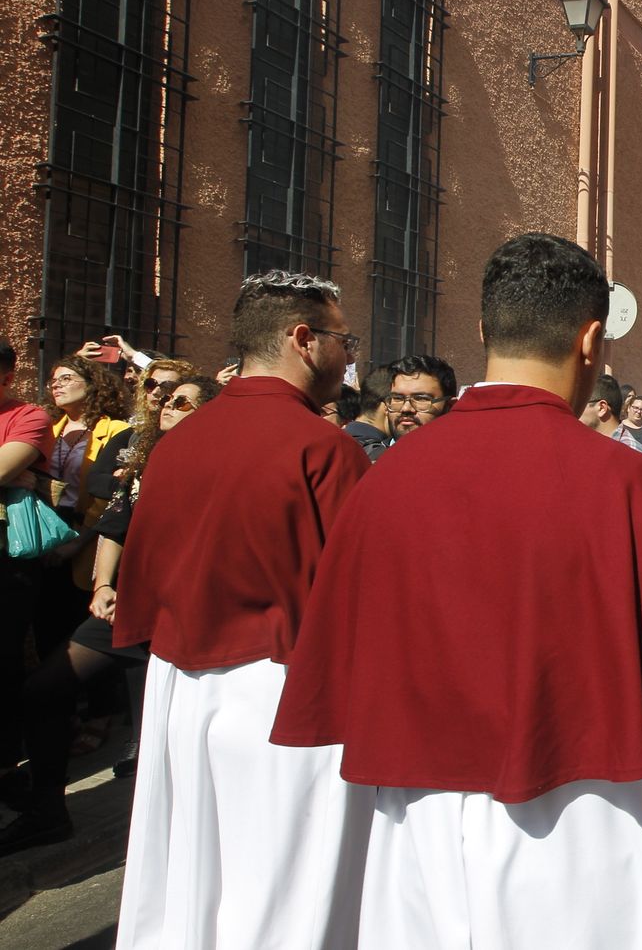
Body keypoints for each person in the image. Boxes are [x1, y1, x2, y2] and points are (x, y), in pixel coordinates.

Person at [270, 233, 642, 948]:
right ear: (591, 339)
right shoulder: (627, 482)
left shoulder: (386, 477)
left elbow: (337, 650)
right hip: (585, 804)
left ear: (485, 330)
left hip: (416, 812)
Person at [112, 271, 371, 947]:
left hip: (178, 688)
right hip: (284, 689)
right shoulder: (324, 448)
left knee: (191, 882)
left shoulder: (176, 444)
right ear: (302, 338)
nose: (350, 354)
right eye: (344, 339)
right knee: (286, 888)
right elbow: (354, 597)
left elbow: (143, 574)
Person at [0, 376, 222, 855]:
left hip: (182, 615)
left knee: (162, 725)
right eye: (164, 398)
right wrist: (103, 585)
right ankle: (47, 812)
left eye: (182, 401)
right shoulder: (146, 461)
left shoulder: (219, 464)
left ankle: (178, 833)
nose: (166, 405)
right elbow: (114, 525)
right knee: (45, 688)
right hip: (126, 610)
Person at [39, 356, 130, 661]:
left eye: (66, 378)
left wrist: (77, 542)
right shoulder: (48, 427)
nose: (56, 384)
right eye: (53, 379)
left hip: (87, 533)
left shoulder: (116, 430)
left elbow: (111, 498)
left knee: (76, 620)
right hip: (43, 531)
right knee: (44, 624)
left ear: (92, 385)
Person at [0, 341, 53, 771]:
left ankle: (6, 760)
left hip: (7, 561)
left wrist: (9, 471)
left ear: (7, 377)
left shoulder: (29, 416)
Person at [384, 353, 456, 441]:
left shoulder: (463, 454)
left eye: (420, 398)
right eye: (398, 398)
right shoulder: (372, 454)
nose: (406, 409)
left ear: (450, 406)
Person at [345, 365, 393, 461]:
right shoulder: (381, 456)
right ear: (388, 405)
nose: (407, 408)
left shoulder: (337, 440)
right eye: (400, 399)